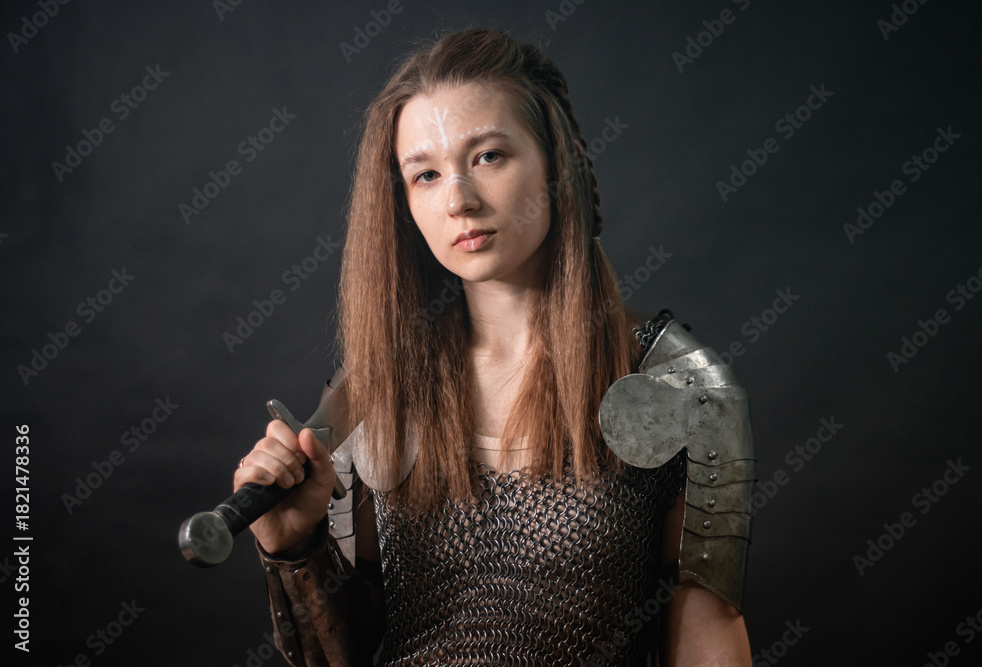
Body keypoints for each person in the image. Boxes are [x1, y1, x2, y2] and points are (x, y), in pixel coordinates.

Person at [233, 27, 754, 666]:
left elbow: (710, 637)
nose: (459, 200)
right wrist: (294, 545)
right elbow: (339, 653)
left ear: (556, 163)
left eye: (488, 156)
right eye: (424, 174)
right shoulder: (375, 394)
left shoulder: (678, 388)